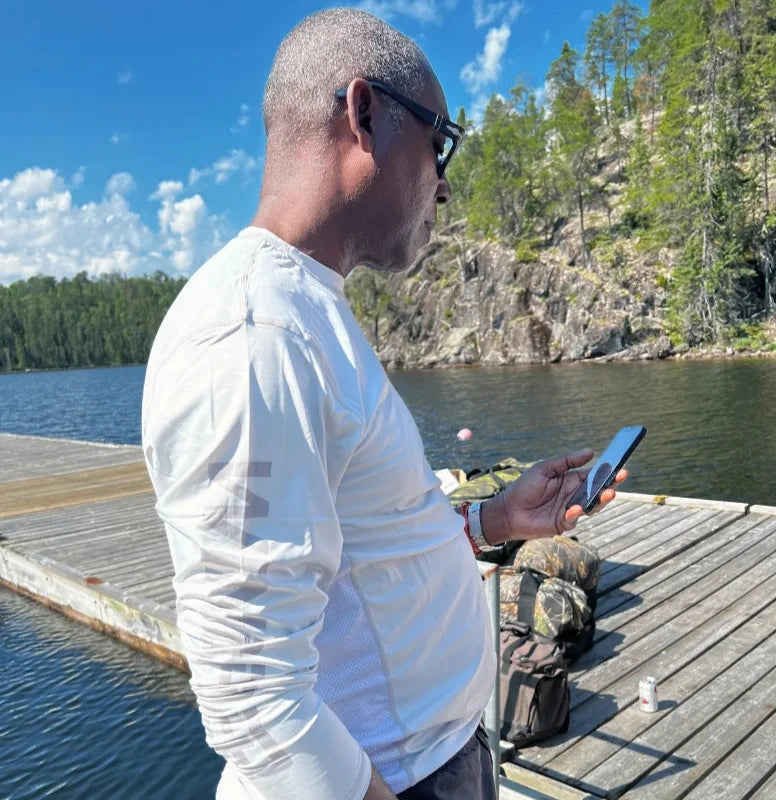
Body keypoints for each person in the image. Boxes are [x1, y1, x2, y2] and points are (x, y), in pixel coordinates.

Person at [141, 8, 624, 800]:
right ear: (363, 114)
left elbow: (363, 542)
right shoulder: (253, 336)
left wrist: (496, 519)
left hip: (431, 758)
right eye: (439, 143)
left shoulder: (305, 309)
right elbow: (252, 700)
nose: (444, 180)